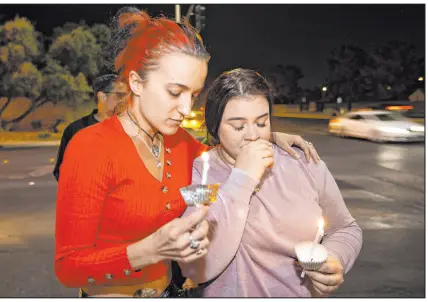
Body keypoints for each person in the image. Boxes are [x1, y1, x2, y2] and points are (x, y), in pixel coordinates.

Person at [55, 7, 321, 298]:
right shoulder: (90, 147)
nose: (186, 109)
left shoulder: (182, 144)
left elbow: (220, 163)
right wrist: (149, 250)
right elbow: (68, 267)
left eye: (193, 95)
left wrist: (261, 135)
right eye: (174, 92)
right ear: (135, 82)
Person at [180, 69, 363, 297]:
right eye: (238, 127)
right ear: (215, 127)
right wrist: (242, 177)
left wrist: (336, 258)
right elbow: (196, 268)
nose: (253, 135)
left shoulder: (302, 162)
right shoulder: (201, 172)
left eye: (261, 122)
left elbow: (346, 228)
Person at [53, 74, 127, 181]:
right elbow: (62, 172)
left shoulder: (133, 130)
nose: (125, 100)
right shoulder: (76, 130)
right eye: (120, 95)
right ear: (102, 97)